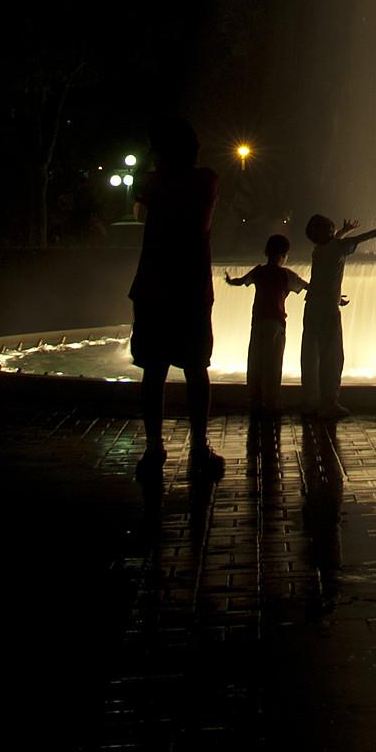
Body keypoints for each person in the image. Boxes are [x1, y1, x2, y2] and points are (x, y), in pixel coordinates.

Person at [129, 117, 222, 481]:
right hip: (191, 290)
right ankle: (198, 446)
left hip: (154, 287)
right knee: (196, 370)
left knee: (154, 372)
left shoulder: (156, 183)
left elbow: (144, 194)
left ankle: (155, 449)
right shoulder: (205, 180)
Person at [301, 209, 376, 416]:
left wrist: (343, 230)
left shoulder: (317, 249)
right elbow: (367, 236)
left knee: (311, 355)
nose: (335, 231)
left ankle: (310, 400)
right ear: (328, 231)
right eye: (331, 228)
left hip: (312, 306)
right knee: (331, 356)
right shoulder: (338, 247)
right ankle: (329, 403)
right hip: (327, 310)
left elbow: (332, 244)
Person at [226, 234, 308, 414]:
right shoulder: (286, 274)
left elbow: (240, 281)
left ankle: (254, 399)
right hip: (276, 323)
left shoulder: (259, 271)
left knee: (255, 360)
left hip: (258, 322)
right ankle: (272, 402)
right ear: (284, 255)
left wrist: (230, 280)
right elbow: (306, 286)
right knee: (273, 362)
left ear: (266, 252)